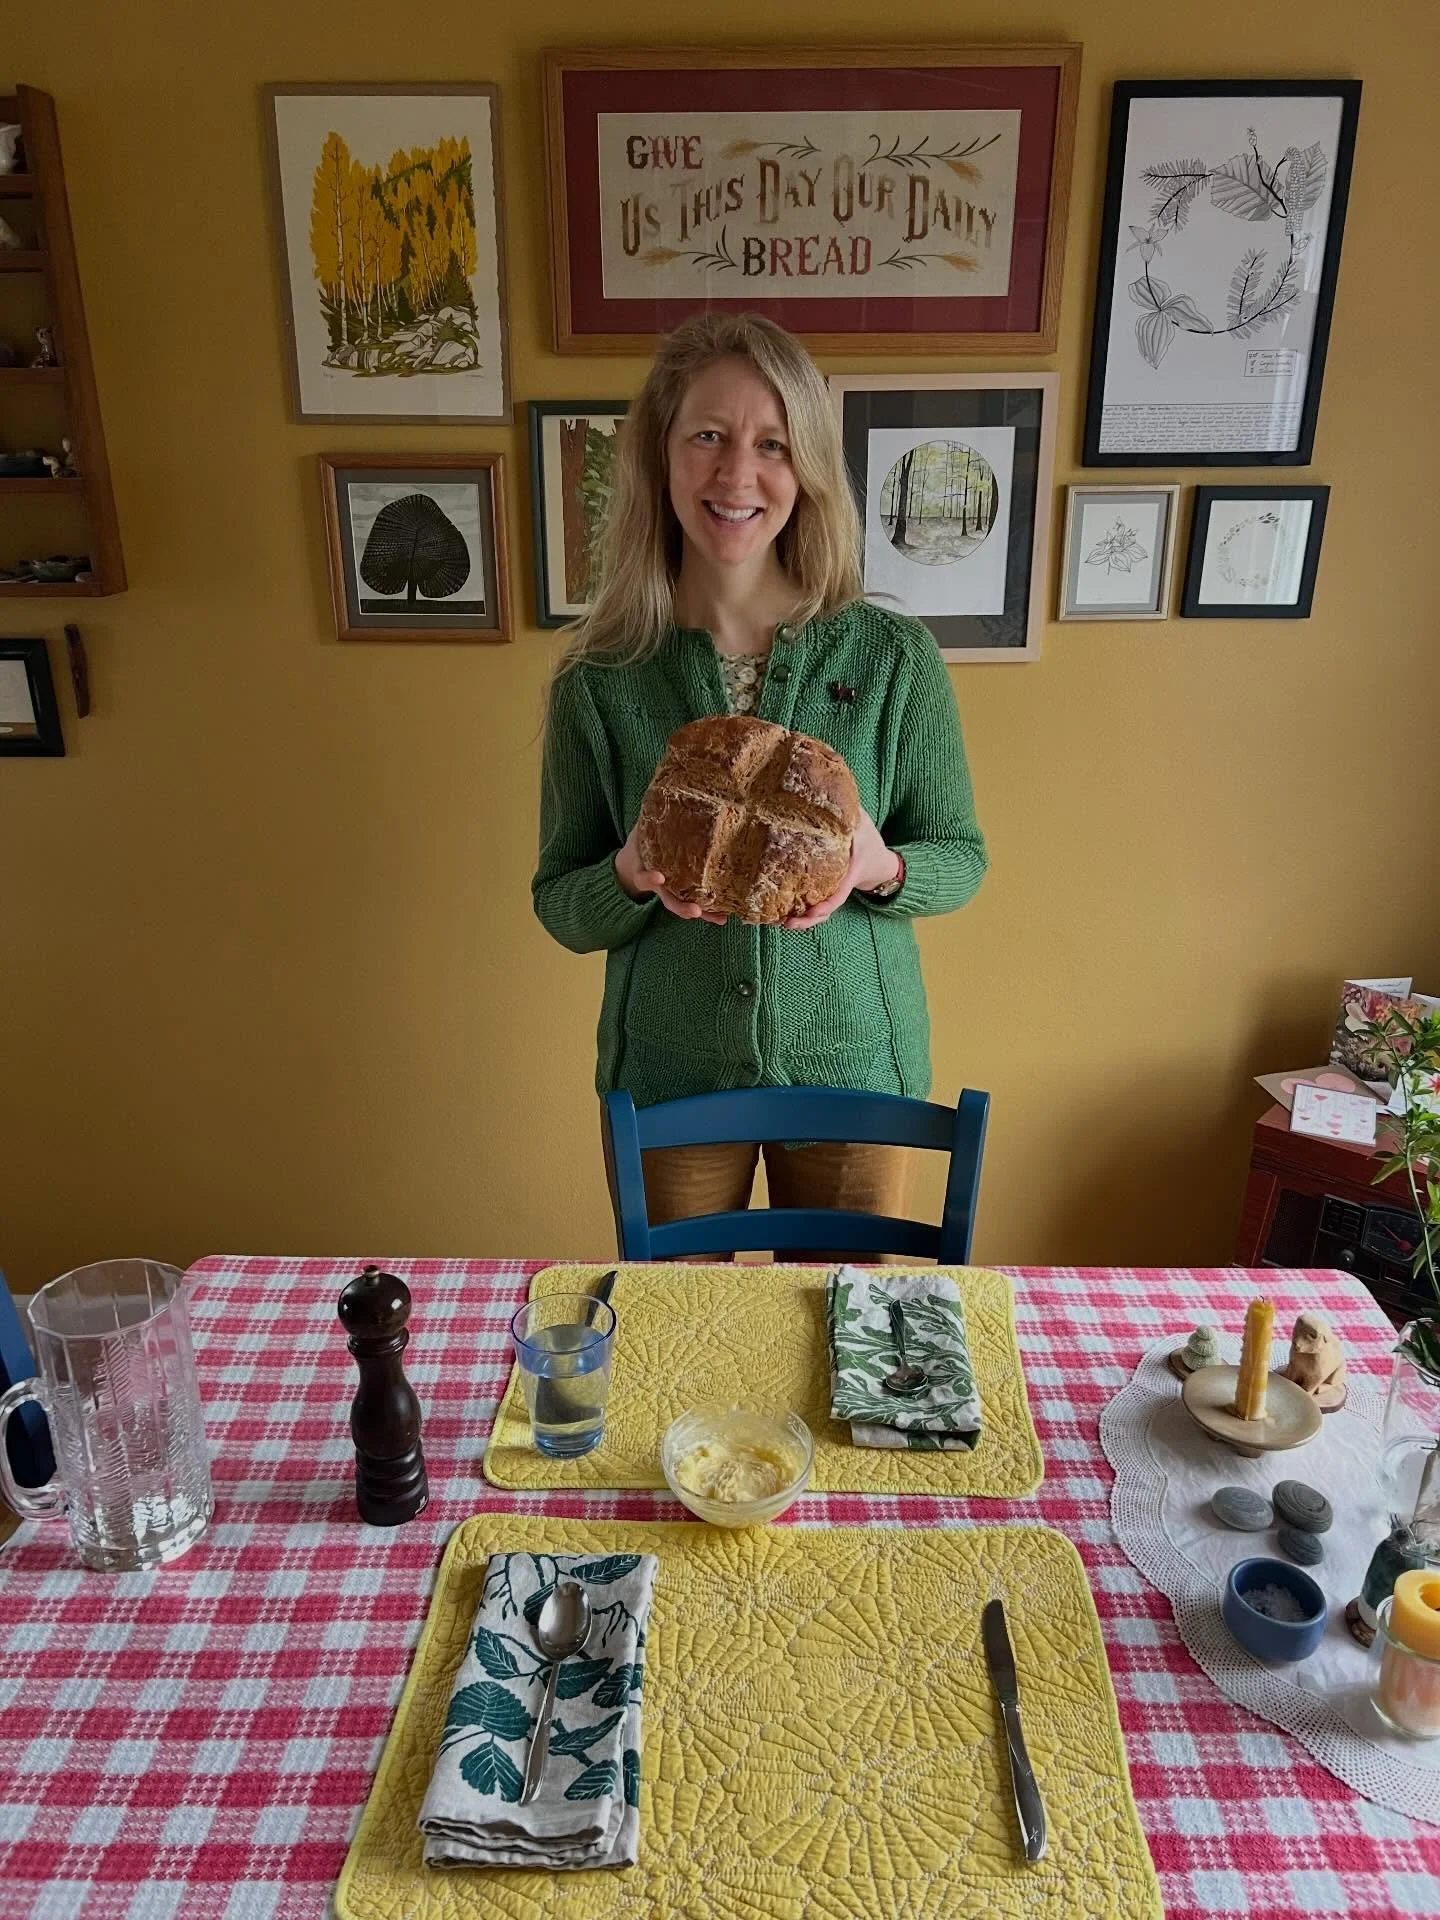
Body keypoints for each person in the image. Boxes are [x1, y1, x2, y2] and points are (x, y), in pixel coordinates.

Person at [532, 311, 987, 1243]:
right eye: (708, 436)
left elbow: (962, 857)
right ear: (661, 456)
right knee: (680, 1318)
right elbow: (560, 904)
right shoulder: (602, 676)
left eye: (771, 444)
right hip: (669, 1078)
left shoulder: (891, 655)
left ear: (805, 467)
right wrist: (628, 876)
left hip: (855, 1071)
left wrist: (880, 868)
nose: (737, 474)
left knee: (843, 1316)